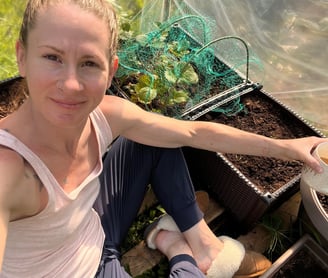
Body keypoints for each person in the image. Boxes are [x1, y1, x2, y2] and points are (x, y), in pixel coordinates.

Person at [0, 0, 326, 277]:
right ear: (22, 57)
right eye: (52, 57)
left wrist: (288, 148)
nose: (71, 84)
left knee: (156, 138)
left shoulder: (107, 115)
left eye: (89, 63)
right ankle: (178, 250)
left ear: (111, 71)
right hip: (83, 270)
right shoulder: (9, 170)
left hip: (92, 227)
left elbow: (194, 132)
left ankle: (204, 247)